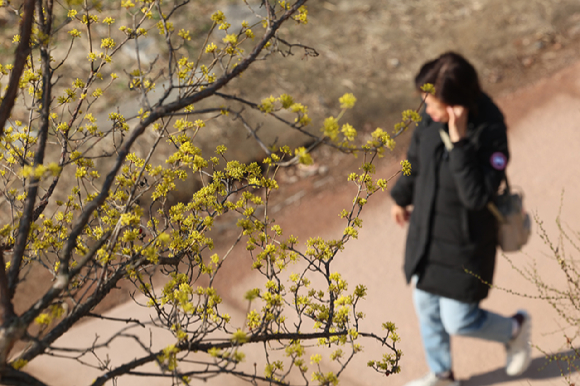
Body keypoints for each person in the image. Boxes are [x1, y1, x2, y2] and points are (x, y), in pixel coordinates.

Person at [390, 52, 531, 386]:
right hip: (427, 234)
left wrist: (459, 141)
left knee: (458, 320)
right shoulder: (431, 116)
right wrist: (400, 195)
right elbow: (415, 159)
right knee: (425, 307)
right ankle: (443, 375)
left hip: (466, 245)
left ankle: (515, 329)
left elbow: (476, 196)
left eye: (433, 104)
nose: (427, 110)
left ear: (457, 104)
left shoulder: (491, 133)